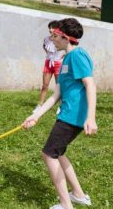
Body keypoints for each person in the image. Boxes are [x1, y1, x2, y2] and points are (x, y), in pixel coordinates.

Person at [22, 18, 97, 209]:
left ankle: (66, 205)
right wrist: (36, 115)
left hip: (73, 116)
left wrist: (91, 117)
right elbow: (56, 94)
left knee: (49, 155)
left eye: (54, 36)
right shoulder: (65, 59)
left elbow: (90, 85)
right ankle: (78, 195)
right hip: (68, 114)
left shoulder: (77, 56)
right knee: (58, 153)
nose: (52, 39)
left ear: (64, 37)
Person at [33, 20, 64, 114]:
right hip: (48, 63)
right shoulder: (46, 39)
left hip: (58, 64)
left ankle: (61, 106)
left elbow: (67, 49)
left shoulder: (61, 39)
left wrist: (61, 57)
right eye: (49, 27)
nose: (50, 29)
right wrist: (49, 55)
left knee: (59, 86)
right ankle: (40, 105)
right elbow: (44, 46)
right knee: (45, 85)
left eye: (53, 27)